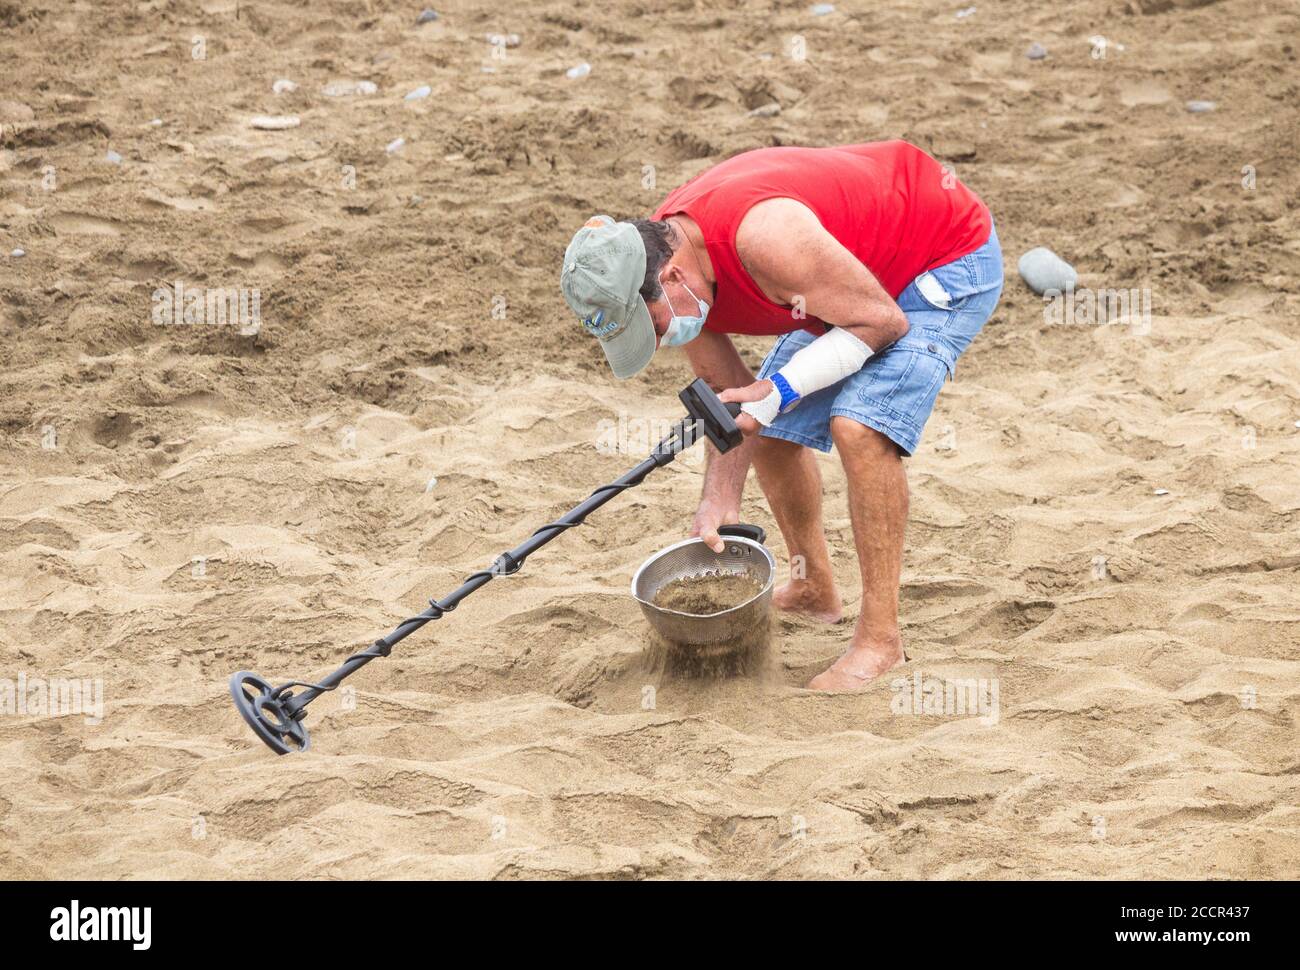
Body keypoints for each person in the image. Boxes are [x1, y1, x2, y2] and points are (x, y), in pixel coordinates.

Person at [560, 141, 1003, 689]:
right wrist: (718, 498)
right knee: (769, 429)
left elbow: (882, 322)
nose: (653, 341)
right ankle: (815, 587)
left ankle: (881, 641)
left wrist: (779, 389)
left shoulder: (764, 241)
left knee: (859, 428)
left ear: (672, 278)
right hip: (843, 282)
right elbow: (729, 392)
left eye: (646, 326)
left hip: (937, 261)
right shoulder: (658, 261)